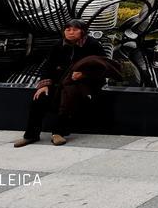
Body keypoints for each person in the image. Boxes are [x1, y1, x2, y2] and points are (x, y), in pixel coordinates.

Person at [14, 19, 106, 147]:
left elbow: (103, 67)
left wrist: (84, 74)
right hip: (59, 82)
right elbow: (48, 66)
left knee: (68, 96)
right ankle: (31, 135)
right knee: (39, 99)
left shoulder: (92, 45)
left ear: (83, 31)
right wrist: (44, 85)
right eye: (68, 30)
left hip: (82, 84)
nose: (71, 33)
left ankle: (58, 133)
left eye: (75, 30)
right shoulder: (59, 45)